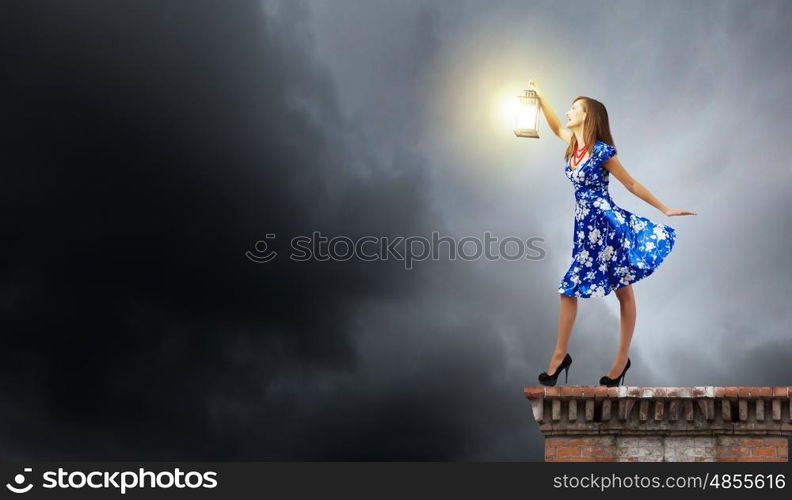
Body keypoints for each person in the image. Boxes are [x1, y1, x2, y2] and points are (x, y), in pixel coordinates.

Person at [529, 80, 697, 387]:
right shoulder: (573, 147)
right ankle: (559, 355)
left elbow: (630, 184)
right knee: (569, 290)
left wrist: (665, 208)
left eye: (574, 108)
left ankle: (620, 361)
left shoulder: (602, 152)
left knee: (623, 291)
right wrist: (539, 99)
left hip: (607, 225)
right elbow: (555, 127)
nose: (568, 112)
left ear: (588, 116)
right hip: (585, 229)